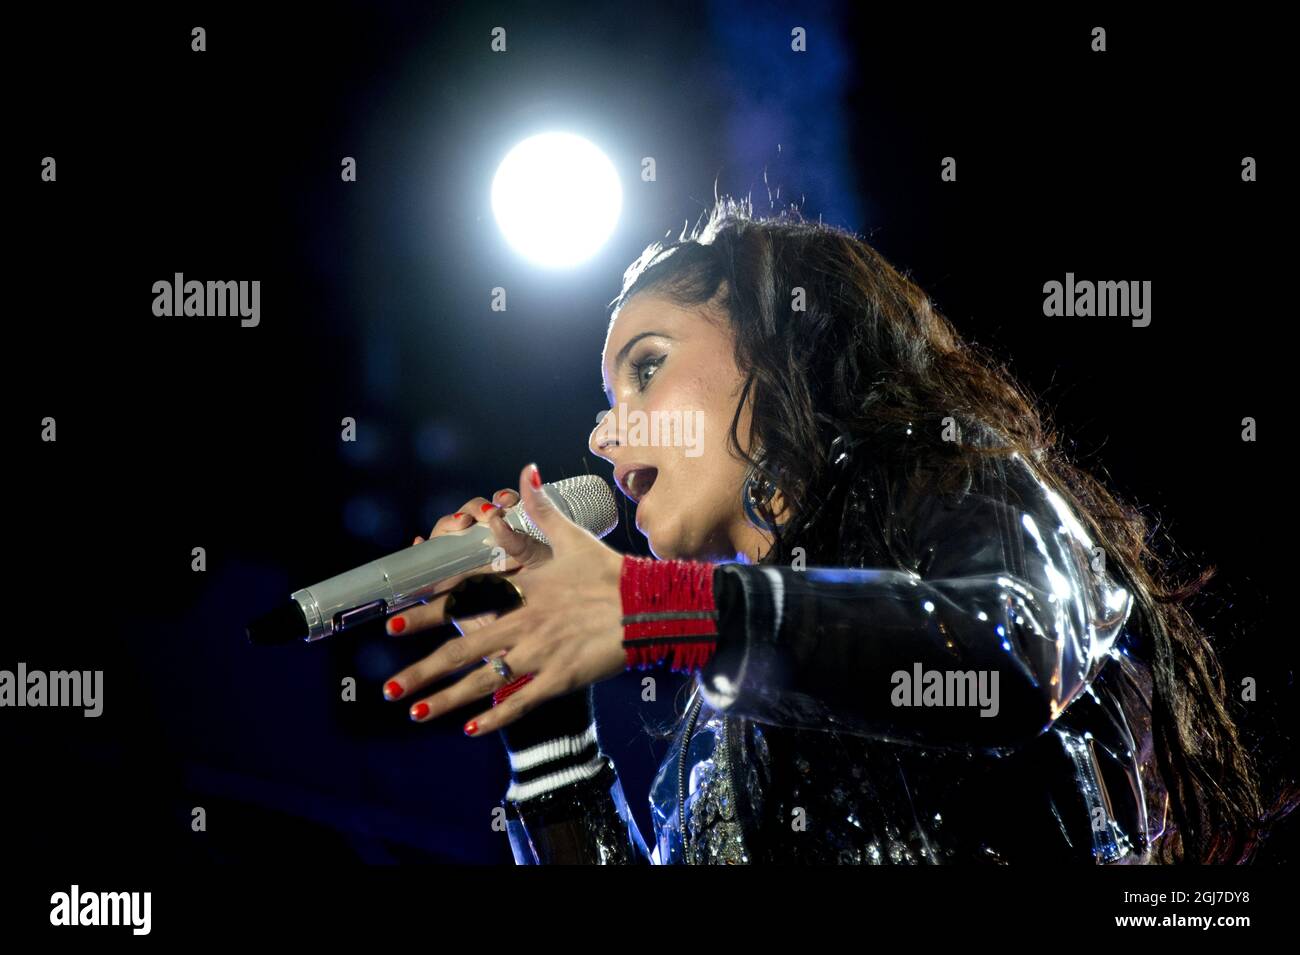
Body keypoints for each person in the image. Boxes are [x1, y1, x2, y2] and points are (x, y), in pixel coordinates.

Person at [378, 197, 1271, 864]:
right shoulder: (721, 730)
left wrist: (653, 605)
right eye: (609, 401)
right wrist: (549, 734)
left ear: (783, 348)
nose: (603, 434)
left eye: (647, 367)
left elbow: (1003, 659)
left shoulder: (965, 481)